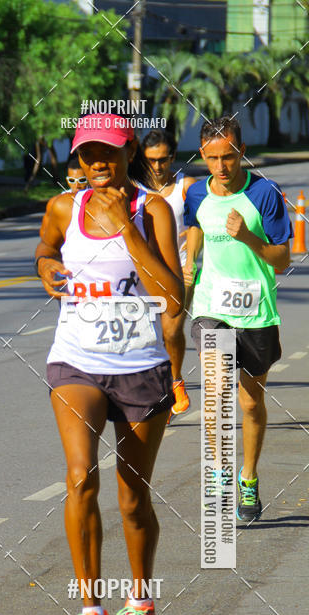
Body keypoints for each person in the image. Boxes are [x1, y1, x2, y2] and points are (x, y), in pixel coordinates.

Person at [35, 114, 184, 615]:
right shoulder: (62, 208)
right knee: (80, 476)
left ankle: (139, 608)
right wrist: (45, 266)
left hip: (141, 365)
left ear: (129, 152)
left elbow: (173, 298)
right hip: (76, 361)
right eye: (87, 153)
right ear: (77, 158)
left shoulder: (154, 210)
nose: (97, 162)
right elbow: (46, 248)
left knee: (132, 496)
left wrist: (127, 229)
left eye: (109, 151)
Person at [184, 116, 292, 520]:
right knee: (215, 393)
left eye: (228, 157)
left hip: (256, 312)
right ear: (202, 155)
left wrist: (247, 236)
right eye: (212, 158)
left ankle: (248, 478)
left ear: (242, 152)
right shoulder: (196, 193)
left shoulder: (264, 194)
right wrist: (189, 264)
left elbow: (282, 259)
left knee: (249, 402)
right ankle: (219, 473)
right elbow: (195, 225)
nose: (221, 166)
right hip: (212, 307)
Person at [142, 130, 196, 418]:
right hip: (147, 273)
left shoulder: (186, 187)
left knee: (171, 331)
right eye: (151, 160)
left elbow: (200, 223)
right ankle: (158, 390)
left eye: (163, 159)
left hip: (181, 270)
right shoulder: (136, 189)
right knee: (150, 335)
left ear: (173, 157)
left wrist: (192, 260)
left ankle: (175, 382)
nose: (157, 166)